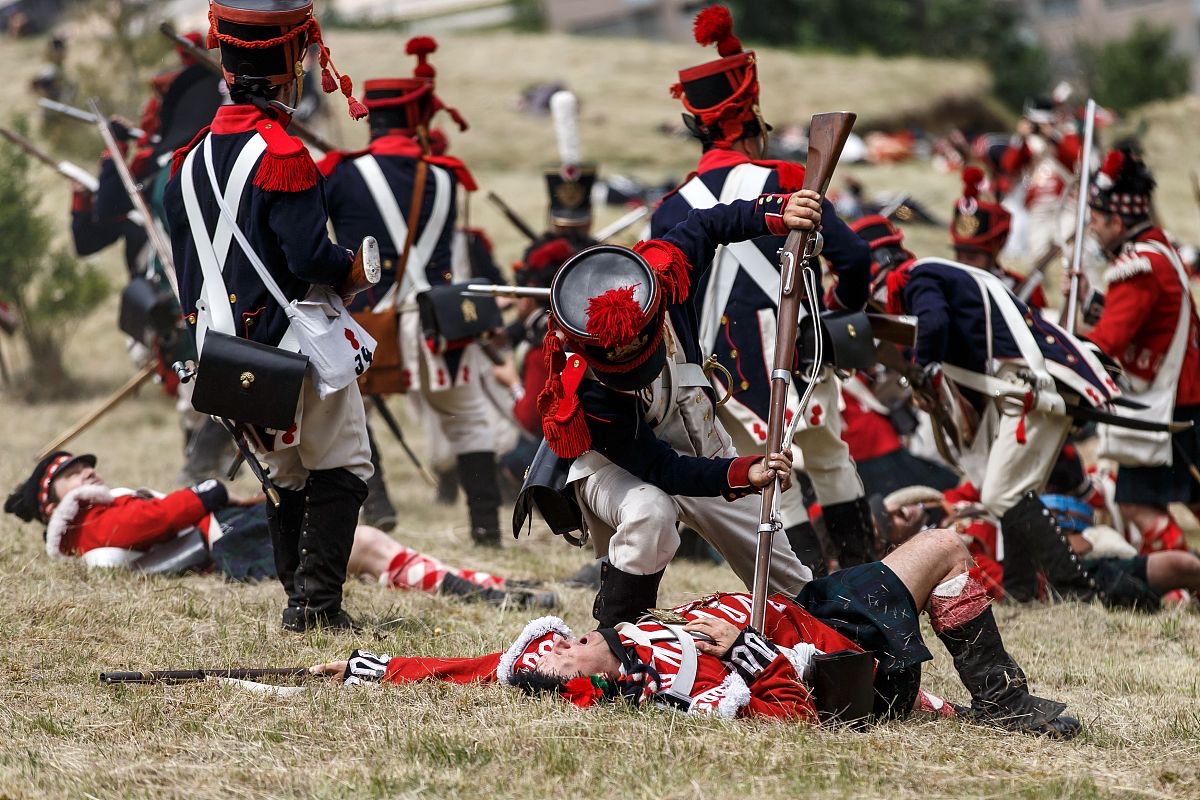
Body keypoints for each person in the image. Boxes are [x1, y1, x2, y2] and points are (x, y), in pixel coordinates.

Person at [311, 523, 1083, 737]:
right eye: (566, 652)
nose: (560, 640)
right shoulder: (682, 674)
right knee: (947, 545)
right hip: (849, 650)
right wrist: (748, 651)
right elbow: (792, 715)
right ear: (599, 675)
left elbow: (472, 667)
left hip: (806, 608)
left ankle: (951, 707)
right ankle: (1003, 700)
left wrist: (363, 668)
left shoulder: (642, 645)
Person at [163, 0, 373, 632]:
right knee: (345, 464)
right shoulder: (282, 153)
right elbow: (309, 255)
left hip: (224, 353)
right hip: (291, 344)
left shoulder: (188, 159)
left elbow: (187, 274)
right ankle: (315, 606)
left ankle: (299, 601)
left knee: (284, 473)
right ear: (288, 66)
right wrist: (350, 271)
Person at [650, 5, 875, 576]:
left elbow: (671, 305)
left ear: (697, 126)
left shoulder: (668, 211)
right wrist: (842, 310)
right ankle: (866, 581)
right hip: (796, 353)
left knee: (776, 480)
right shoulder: (784, 181)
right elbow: (853, 256)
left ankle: (813, 603)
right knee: (830, 461)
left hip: (720, 374)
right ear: (752, 118)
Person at [876, 212, 1126, 604]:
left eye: (973, 253)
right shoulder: (947, 285)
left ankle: (1076, 589)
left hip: (1031, 385)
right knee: (1009, 491)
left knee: (1002, 492)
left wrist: (924, 365)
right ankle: (1025, 588)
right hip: (1007, 395)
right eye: (962, 251)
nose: (966, 259)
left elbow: (943, 329)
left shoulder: (935, 282)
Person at [316, 38, 507, 547]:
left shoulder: (341, 172)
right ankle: (486, 531)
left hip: (368, 321)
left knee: (344, 413)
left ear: (373, 119)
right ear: (417, 118)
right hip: (437, 321)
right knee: (469, 420)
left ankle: (378, 507)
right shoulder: (448, 176)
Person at [3, 451, 556, 609]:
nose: (89, 472)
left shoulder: (93, 511)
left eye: (86, 465)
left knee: (363, 545)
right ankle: (491, 595)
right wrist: (211, 492)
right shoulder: (85, 522)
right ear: (56, 499)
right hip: (225, 546)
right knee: (359, 544)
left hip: (225, 532)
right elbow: (152, 521)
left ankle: (493, 589)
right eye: (74, 472)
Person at [1082, 146, 1200, 556]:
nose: (1092, 229)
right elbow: (1138, 323)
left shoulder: (1138, 266)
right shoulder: (1157, 249)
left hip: (1171, 404)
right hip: (1184, 395)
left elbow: (1108, 343)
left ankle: (1185, 582)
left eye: (1096, 221)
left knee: (1136, 502)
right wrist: (1087, 301)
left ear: (1118, 220)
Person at [950, 167, 1047, 310]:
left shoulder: (1021, 290)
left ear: (996, 249)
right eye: (959, 255)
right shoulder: (943, 284)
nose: (963, 263)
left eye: (972, 257)